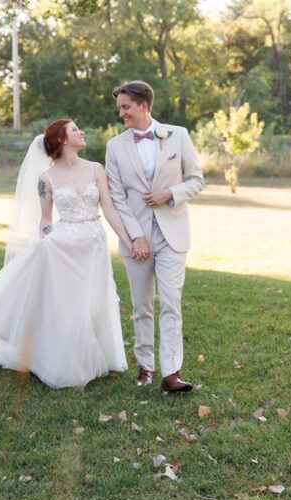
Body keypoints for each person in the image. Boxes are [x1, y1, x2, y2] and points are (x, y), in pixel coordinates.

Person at [0, 119, 133, 388]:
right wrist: (46, 241)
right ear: (62, 139)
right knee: (69, 305)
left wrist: (127, 240)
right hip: (64, 247)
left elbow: (109, 209)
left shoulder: (96, 169)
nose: (81, 132)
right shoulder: (45, 179)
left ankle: (94, 356)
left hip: (94, 245)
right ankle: (66, 362)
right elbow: (46, 219)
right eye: (74, 129)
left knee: (94, 302)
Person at [105, 80, 205, 394]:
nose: (121, 113)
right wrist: (135, 237)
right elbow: (117, 197)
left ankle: (171, 373)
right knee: (142, 306)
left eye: (126, 107)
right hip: (137, 238)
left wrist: (170, 193)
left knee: (171, 302)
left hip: (173, 234)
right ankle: (145, 367)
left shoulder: (179, 135)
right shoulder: (114, 146)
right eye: (120, 108)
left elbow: (197, 180)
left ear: (144, 104)